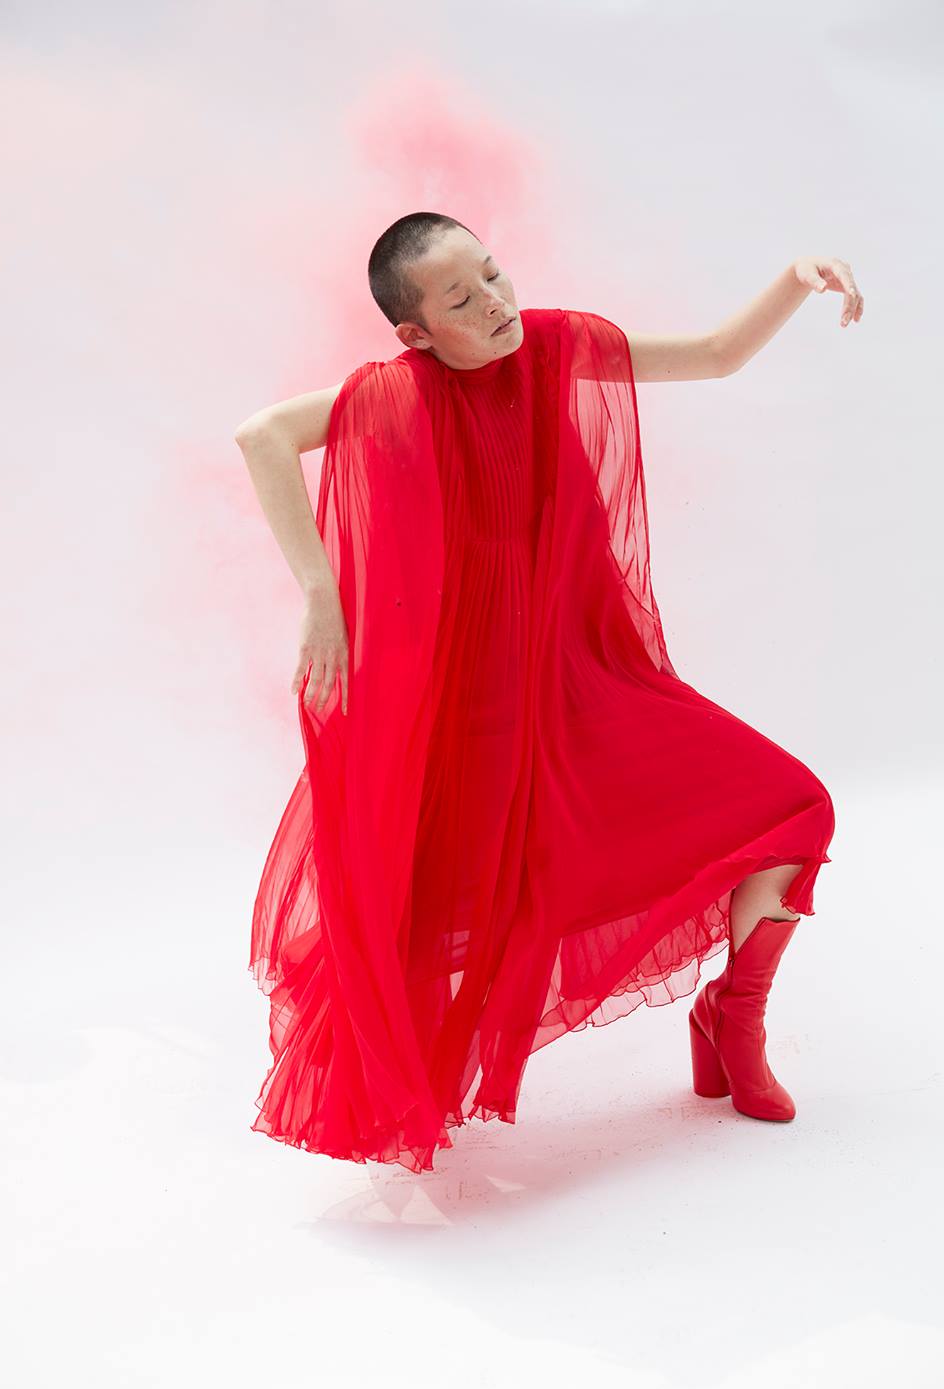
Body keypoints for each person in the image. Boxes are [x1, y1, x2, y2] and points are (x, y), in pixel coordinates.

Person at [234, 212, 864, 1172]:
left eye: (493, 275)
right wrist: (321, 593)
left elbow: (715, 354)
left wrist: (795, 275)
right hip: (474, 710)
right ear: (415, 333)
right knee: (429, 908)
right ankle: (421, 1088)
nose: (495, 302)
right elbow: (263, 435)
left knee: (793, 806)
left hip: (591, 682)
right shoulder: (400, 393)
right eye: (461, 299)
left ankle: (732, 1019)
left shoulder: (556, 346)